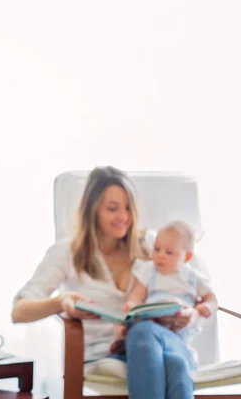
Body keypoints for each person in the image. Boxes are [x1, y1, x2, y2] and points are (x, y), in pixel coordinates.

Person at [11, 166, 203, 399]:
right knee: (154, 346)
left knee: (173, 361)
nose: (123, 217)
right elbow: (19, 311)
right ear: (92, 210)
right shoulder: (67, 252)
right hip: (105, 353)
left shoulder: (150, 246)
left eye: (128, 208)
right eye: (112, 208)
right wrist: (61, 302)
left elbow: (190, 287)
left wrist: (189, 314)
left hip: (161, 344)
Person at [110, 220, 217, 362]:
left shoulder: (193, 277)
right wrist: (131, 304)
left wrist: (206, 307)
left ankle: (181, 353)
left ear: (186, 257)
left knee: (173, 339)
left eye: (169, 252)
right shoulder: (149, 270)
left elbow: (211, 298)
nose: (160, 255)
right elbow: (137, 293)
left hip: (178, 322)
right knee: (130, 326)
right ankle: (124, 345)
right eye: (157, 249)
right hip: (152, 319)